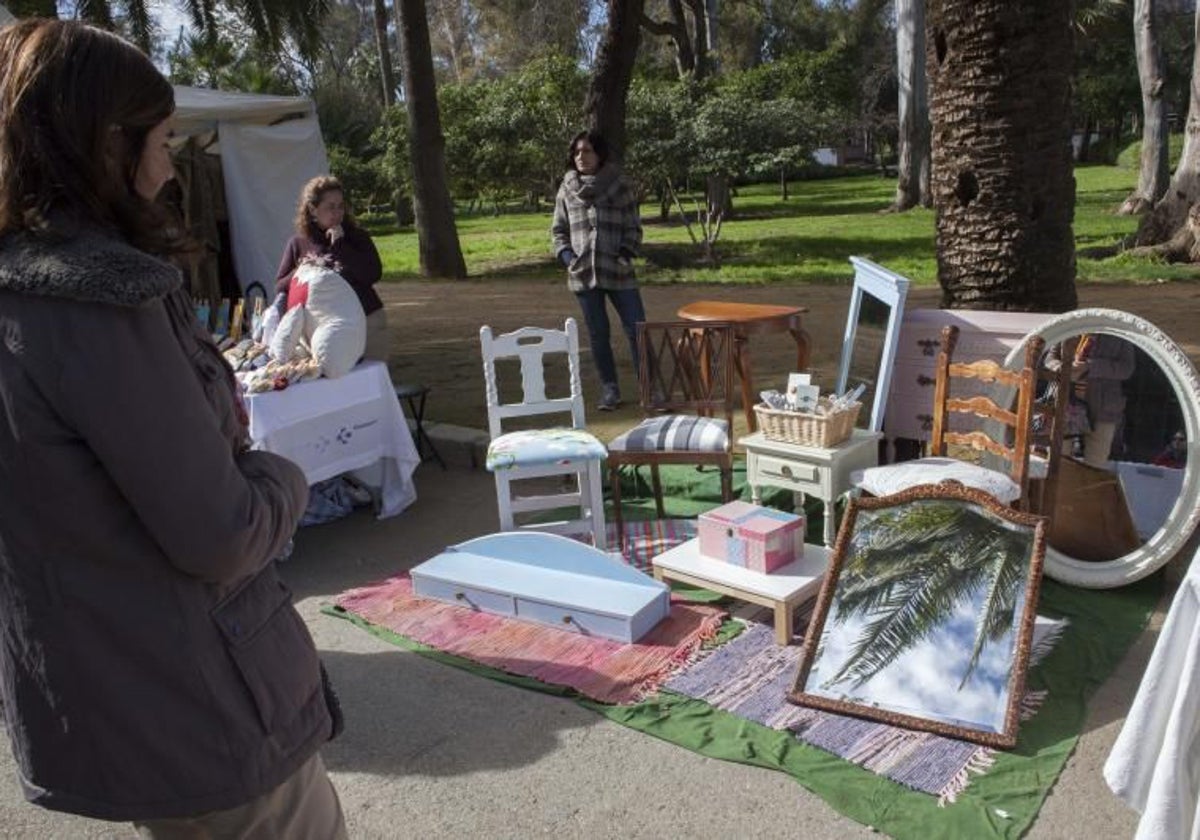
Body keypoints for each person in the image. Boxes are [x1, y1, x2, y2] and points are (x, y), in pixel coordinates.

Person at [0, 20, 346, 838]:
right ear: (100, 145)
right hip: (203, 707)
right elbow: (222, 532)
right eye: (157, 142)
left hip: (117, 695)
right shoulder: (99, 304)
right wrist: (285, 478)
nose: (166, 170)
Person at [551, 130, 645, 411]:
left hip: (618, 271)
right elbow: (558, 231)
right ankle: (609, 390)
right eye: (577, 152)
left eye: (588, 150)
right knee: (598, 334)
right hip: (583, 274)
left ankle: (650, 389)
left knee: (637, 329)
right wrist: (569, 258)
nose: (581, 156)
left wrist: (626, 254)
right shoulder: (566, 188)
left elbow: (633, 225)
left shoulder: (619, 184)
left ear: (600, 153)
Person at [276, 175, 387, 362]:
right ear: (313, 209)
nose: (337, 213)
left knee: (370, 382)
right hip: (323, 333)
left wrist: (341, 247)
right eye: (330, 207)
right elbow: (280, 286)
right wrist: (301, 270)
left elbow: (373, 274)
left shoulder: (357, 237)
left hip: (367, 322)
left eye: (341, 206)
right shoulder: (299, 243)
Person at [1045, 333, 1136, 468]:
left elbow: (1127, 368)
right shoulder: (1072, 326)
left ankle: (1085, 489)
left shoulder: (1118, 332)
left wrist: (1091, 367)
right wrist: (1062, 368)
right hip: (1065, 403)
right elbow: (1050, 359)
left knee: (1095, 464)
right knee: (1057, 461)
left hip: (1103, 408)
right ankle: (1058, 488)